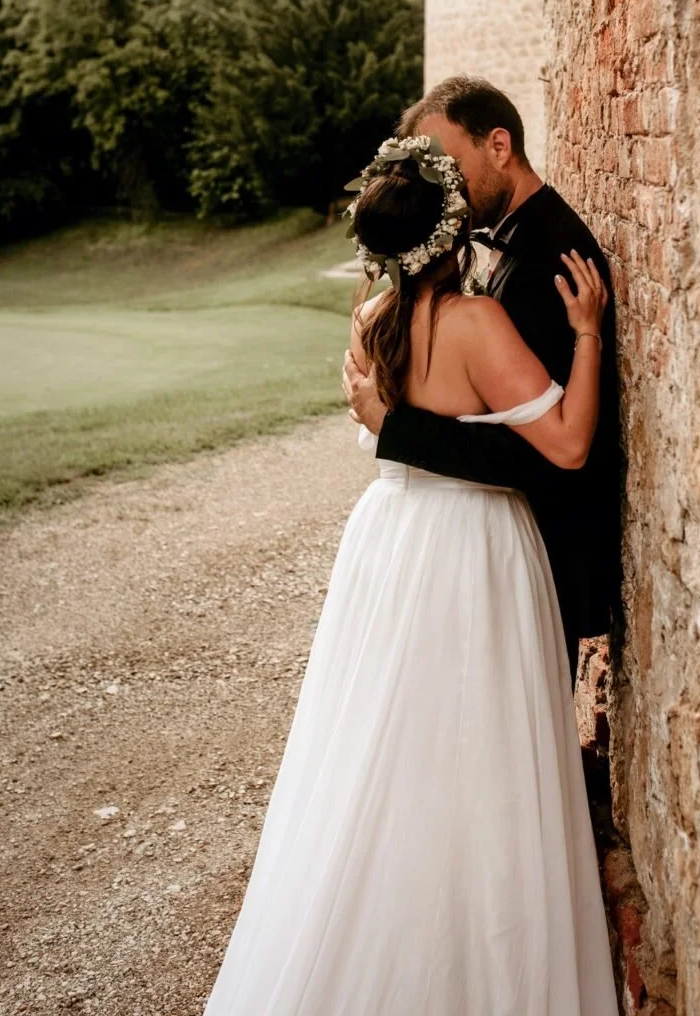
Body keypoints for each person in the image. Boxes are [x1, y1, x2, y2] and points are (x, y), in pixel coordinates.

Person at [202, 133, 619, 1016]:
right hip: (472, 551)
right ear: (450, 229)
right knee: (483, 749)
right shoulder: (475, 324)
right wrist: (585, 336)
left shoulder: (370, 321)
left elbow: (387, 431)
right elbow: (571, 444)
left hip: (388, 544)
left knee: (385, 740)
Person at [344, 76, 623, 685]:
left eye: (448, 165)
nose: (442, 186)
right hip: (477, 551)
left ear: (499, 146)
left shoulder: (553, 261)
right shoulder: (488, 277)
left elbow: (548, 451)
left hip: (536, 551)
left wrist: (396, 430)